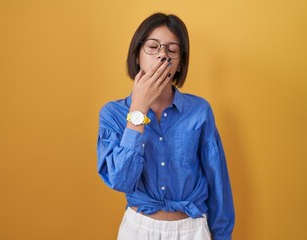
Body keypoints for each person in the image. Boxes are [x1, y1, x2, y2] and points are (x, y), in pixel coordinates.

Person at [97, 13, 234, 240]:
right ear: (137, 56)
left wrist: (222, 236)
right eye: (153, 46)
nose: (162, 55)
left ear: (180, 64)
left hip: (192, 229)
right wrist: (138, 110)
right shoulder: (113, 113)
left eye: (172, 50)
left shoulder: (200, 111)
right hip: (138, 230)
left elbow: (217, 181)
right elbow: (121, 181)